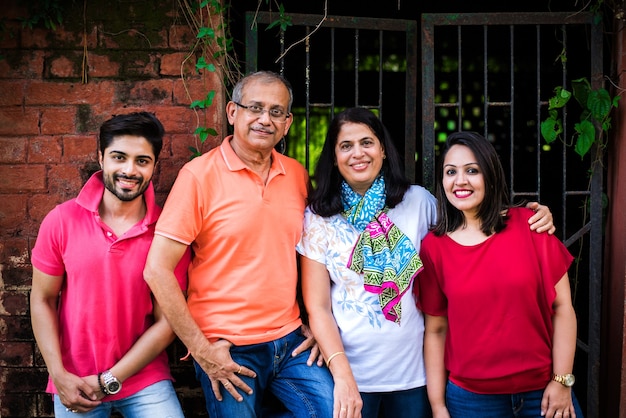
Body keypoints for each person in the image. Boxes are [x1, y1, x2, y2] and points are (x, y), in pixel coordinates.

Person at [296, 108, 555, 418]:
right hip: (351, 375)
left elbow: (470, 227)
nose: (358, 153)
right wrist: (342, 376)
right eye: (345, 146)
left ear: (383, 150)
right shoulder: (318, 217)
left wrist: (524, 217)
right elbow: (319, 307)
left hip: (414, 376)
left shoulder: (418, 202)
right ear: (334, 157)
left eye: (367, 142)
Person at [142, 70, 334, 418]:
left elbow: (307, 255)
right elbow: (156, 270)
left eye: (276, 112)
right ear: (232, 112)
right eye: (255, 108)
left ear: (288, 122)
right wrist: (201, 350)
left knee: (337, 411)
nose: (265, 119)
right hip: (227, 346)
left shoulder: (296, 175)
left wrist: (310, 320)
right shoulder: (198, 176)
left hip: (290, 340)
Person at [30, 111, 191, 417]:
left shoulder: (167, 231)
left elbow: (168, 321)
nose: (129, 170)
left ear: (155, 166)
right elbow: (42, 299)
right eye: (119, 157)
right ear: (101, 158)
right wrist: (58, 374)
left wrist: (109, 380)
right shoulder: (61, 220)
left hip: (144, 378)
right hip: (73, 378)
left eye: (142, 161)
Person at [416, 131, 584, 418]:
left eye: (472, 170)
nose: (460, 180)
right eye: (450, 171)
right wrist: (438, 405)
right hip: (471, 401)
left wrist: (562, 381)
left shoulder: (530, 226)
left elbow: (563, 308)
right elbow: (436, 330)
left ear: (490, 175)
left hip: (543, 393)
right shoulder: (434, 248)